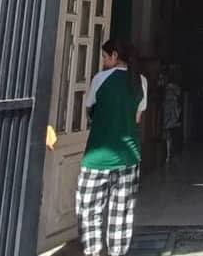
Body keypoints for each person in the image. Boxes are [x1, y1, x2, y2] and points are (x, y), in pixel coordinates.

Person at [76, 39, 148, 256]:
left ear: (115, 56)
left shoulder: (100, 79)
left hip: (97, 157)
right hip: (128, 157)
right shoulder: (141, 81)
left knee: (89, 210)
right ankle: (117, 252)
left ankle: (93, 251)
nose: (104, 61)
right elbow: (137, 118)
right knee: (122, 213)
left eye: (105, 57)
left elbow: (90, 110)